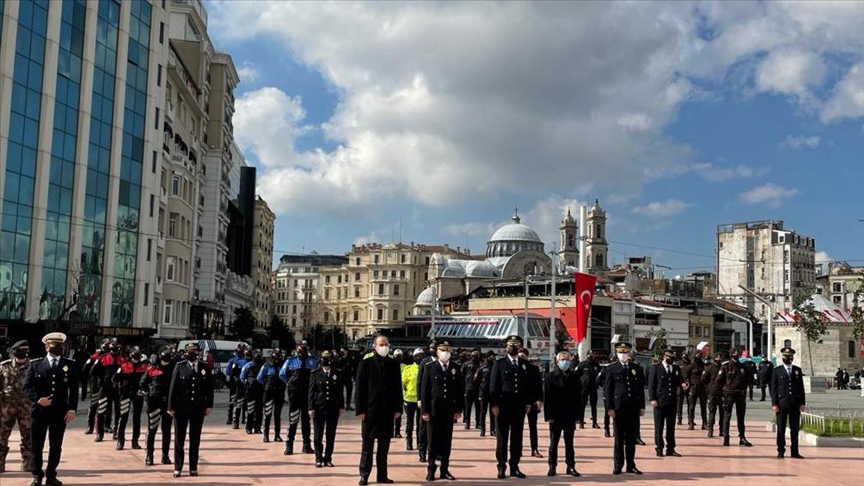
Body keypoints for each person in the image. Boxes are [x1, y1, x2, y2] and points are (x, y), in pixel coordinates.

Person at [23, 332, 79, 486]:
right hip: (39, 412)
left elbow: (74, 390)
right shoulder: (35, 364)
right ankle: (37, 475)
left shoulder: (69, 365)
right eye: (55, 346)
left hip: (59, 412)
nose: (59, 349)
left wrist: (72, 409)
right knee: (37, 445)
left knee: (55, 446)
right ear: (47, 347)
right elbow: (26, 387)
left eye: (61, 346)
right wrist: (38, 399)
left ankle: (51, 475)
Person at [355, 335, 403, 485]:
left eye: (386, 344)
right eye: (381, 344)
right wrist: (360, 410)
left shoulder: (394, 364)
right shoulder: (365, 364)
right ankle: (364, 474)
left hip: (387, 411)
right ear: (374, 346)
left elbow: (397, 388)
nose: (384, 347)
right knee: (367, 446)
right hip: (370, 411)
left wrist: (398, 408)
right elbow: (360, 389)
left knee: (384, 447)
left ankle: (382, 475)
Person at [167, 342, 214, 478]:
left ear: (198, 353)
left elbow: (209, 389)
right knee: (179, 439)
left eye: (194, 353)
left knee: (195, 439)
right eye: (190, 353)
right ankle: (178, 468)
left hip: (198, 409)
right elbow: (173, 388)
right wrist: (171, 407)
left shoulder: (204, 367)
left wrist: (209, 405)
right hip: (181, 408)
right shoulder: (180, 366)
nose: (192, 355)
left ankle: (193, 467)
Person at [489, 335, 532, 479]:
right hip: (503, 407)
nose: (512, 348)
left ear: (520, 347)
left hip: (519, 407)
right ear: (506, 347)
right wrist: (494, 404)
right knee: (502, 438)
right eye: (510, 345)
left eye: (515, 345)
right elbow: (494, 386)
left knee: (517, 438)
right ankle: (501, 466)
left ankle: (515, 466)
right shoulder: (499, 364)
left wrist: (528, 402)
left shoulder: (525, 365)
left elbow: (528, 386)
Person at [420, 341, 462, 481]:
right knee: (432, 441)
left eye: (447, 350)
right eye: (442, 350)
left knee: (446, 441)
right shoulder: (429, 367)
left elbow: (459, 390)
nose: (445, 353)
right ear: (437, 352)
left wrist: (458, 409)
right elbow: (425, 390)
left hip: (449, 410)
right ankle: (431, 469)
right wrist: (425, 411)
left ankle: (445, 470)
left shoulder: (456, 367)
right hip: (433, 411)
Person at [603, 342, 645, 475]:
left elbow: (640, 389)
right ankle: (618, 465)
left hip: (633, 408)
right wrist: (610, 407)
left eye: (625, 352)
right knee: (619, 439)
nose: (623, 354)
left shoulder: (636, 368)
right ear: (617, 353)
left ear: (629, 353)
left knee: (631, 439)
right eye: (621, 352)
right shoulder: (611, 368)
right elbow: (607, 390)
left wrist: (642, 406)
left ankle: (631, 465)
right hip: (618, 408)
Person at [543, 351, 582, 477]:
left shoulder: (574, 377)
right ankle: (552, 466)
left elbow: (578, 397)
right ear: (557, 361)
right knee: (554, 443)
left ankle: (570, 466)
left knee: (569, 443)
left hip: (570, 414)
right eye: (562, 359)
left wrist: (578, 416)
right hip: (556, 415)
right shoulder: (550, 377)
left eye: (567, 360)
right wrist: (548, 416)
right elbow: (547, 397)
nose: (565, 362)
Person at [280, 343, 318, 455]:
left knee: (306, 421)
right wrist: (290, 383)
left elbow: (317, 375)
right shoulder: (290, 361)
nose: (302, 351)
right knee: (293, 419)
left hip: (307, 394)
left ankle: (306, 445)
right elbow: (282, 374)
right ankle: (289, 445)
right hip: (295, 394)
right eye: (300, 349)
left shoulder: (313, 361)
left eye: (304, 349)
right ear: (297, 350)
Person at [0, 339, 32, 473]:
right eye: (20, 350)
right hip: (7, 407)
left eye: (25, 350)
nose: (23, 353)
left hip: (27, 407)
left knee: (28, 436)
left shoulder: (33, 366)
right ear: (13, 352)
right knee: (2, 435)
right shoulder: (4, 366)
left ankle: (27, 462)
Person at [309, 351, 345, 468]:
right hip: (319, 408)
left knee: (330, 435)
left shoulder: (337, 373)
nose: (326, 361)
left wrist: (341, 406)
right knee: (317, 436)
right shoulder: (315, 373)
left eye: (328, 359)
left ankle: (328, 458)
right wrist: (310, 408)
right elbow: (311, 392)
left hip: (332, 408)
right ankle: (318, 458)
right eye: (324, 359)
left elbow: (340, 391)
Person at [648, 348, 685, 458]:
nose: (671, 360)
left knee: (671, 427)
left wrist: (683, 384)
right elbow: (651, 385)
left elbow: (680, 380)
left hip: (672, 401)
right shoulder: (656, 368)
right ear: (665, 356)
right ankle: (659, 448)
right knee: (659, 426)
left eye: (673, 358)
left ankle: (671, 448)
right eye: (670, 357)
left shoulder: (675, 368)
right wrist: (652, 399)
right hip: (660, 402)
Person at [140, 348, 174, 466]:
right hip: (154, 403)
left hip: (168, 404)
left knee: (167, 430)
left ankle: (165, 455)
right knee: (152, 429)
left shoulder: (174, 369)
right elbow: (142, 383)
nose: (166, 360)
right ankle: (149, 455)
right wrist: (148, 393)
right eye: (164, 357)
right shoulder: (152, 369)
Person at [770, 347, 806, 459]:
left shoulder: (797, 370)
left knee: (794, 429)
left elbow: (801, 388)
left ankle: (795, 451)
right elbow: (773, 389)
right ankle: (781, 450)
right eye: (786, 357)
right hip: (782, 404)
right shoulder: (777, 370)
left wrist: (802, 403)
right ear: (782, 357)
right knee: (781, 428)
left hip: (795, 404)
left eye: (790, 357)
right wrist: (774, 404)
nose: (788, 359)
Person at [112, 347, 149, 450]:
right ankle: (120, 441)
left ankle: (135, 441)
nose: (136, 357)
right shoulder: (124, 367)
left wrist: (144, 390)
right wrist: (121, 386)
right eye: (135, 355)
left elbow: (147, 381)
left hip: (138, 395)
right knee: (123, 417)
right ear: (131, 356)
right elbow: (114, 379)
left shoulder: (143, 368)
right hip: (125, 395)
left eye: (138, 355)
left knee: (137, 418)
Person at [715, 346, 752, 447]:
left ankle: (742, 438)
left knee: (741, 417)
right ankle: (726, 438)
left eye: (737, 353)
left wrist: (743, 390)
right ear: (731, 354)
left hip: (740, 394)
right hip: (728, 395)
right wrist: (722, 394)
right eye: (734, 353)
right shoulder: (726, 366)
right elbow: (718, 381)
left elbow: (747, 380)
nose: (736, 354)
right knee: (727, 417)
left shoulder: (743, 367)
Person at [517, 348, 544, 458]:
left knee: (533, 426)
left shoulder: (534, 369)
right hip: (519, 402)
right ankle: (518, 449)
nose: (521, 359)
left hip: (532, 401)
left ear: (527, 357)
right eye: (519, 357)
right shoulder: (515, 368)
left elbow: (539, 386)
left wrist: (540, 399)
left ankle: (534, 449)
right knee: (518, 427)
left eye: (523, 356)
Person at [415, 340, 437, 463]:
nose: (433, 350)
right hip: (426, 399)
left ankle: (434, 451)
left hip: (437, 401)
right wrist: (419, 399)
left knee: (437, 428)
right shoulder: (425, 362)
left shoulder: (442, 362)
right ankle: (422, 451)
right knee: (423, 427)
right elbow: (420, 382)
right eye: (431, 348)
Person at [257, 350, 285, 443]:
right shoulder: (266, 366)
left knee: (277, 415)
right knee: (267, 414)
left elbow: (286, 377)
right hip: (269, 393)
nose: (277, 359)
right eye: (275, 357)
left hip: (279, 392)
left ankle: (277, 435)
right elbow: (259, 378)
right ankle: (266, 435)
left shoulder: (283, 366)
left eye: (278, 357)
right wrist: (266, 385)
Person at [401, 348, 422, 450]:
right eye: (418, 355)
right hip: (409, 399)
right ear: (414, 357)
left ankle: (420, 442)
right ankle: (409, 442)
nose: (420, 357)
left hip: (420, 400)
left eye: (422, 355)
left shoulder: (425, 368)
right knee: (409, 422)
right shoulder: (408, 368)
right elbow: (403, 382)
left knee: (420, 423)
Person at [575, 350, 601, 430]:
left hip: (593, 388)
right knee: (582, 405)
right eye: (590, 354)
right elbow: (576, 374)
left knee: (594, 405)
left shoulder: (596, 365)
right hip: (584, 388)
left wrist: (598, 383)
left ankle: (594, 422)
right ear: (587, 355)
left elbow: (600, 375)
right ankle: (581, 421)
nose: (592, 356)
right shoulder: (583, 364)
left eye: (593, 354)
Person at [224, 346, 248, 426]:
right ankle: (230, 418)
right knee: (233, 401)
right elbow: (228, 372)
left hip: (243, 383)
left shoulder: (246, 361)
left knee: (244, 402)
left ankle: (243, 419)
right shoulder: (233, 361)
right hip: (235, 383)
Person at [242, 353, 265, 435]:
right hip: (250, 390)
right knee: (250, 409)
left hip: (260, 390)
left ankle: (257, 428)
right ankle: (249, 428)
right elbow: (242, 376)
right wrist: (248, 383)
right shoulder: (248, 365)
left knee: (259, 410)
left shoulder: (263, 366)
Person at [683, 354, 707, 430]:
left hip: (702, 387)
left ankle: (704, 423)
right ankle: (691, 422)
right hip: (693, 387)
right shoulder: (691, 365)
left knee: (703, 406)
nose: (698, 356)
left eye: (700, 355)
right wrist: (687, 384)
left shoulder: (703, 365)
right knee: (691, 406)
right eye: (697, 355)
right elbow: (685, 376)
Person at [461, 349, 482, 431]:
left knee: (478, 407)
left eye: (476, 355)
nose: (474, 357)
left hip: (478, 388)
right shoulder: (466, 364)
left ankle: (478, 423)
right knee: (468, 407)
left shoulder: (481, 365)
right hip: (468, 388)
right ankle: (467, 422)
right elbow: (462, 375)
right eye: (473, 355)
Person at [477, 352, 496, 438]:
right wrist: (480, 389)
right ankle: (482, 430)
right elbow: (476, 380)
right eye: (490, 356)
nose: (492, 358)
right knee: (483, 411)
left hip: (493, 393)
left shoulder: (496, 367)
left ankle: (493, 430)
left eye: (493, 356)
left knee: (493, 412)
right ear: (487, 357)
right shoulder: (482, 367)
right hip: (483, 392)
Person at [675, 354, 690, 425]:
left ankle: (690, 419)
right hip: (680, 385)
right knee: (679, 403)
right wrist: (681, 383)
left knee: (690, 403)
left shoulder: (691, 364)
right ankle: (679, 418)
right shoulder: (678, 364)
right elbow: (676, 375)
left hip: (689, 385)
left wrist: (688, 383)